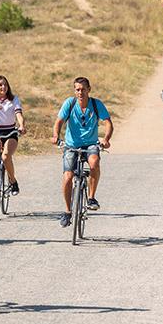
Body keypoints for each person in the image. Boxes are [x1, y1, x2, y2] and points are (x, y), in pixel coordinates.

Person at [51, 77, 113, 227]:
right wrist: (55, 136)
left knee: (94, 162)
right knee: (67, 176)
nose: (80, 92)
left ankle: (91, 197)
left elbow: (108, 123)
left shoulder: (96, 104)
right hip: (71, 145)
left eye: (83, 89)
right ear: (74, 91)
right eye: (77, 89)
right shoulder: (69, 103)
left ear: (89, 90)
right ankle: (67, 211)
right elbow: (59, 121)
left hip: (91, 144)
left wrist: (106, 138)